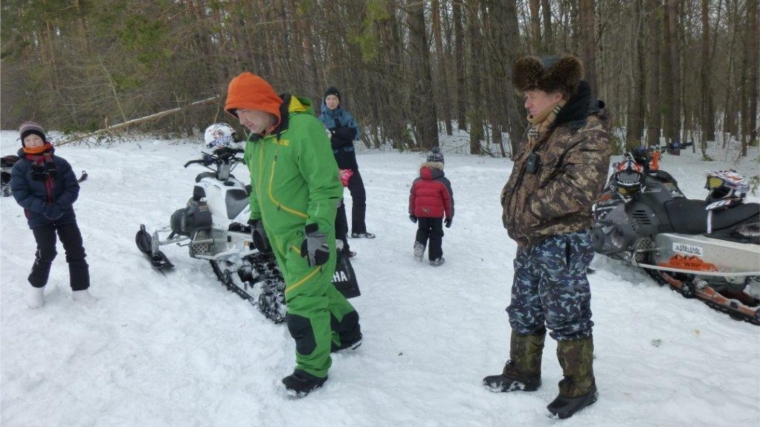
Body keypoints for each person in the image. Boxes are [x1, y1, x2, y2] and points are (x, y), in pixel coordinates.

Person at [482, 55, 612, 420]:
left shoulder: (588, 131)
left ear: (557, 95)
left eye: (532, 95)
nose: (526, 102)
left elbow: (579, 189)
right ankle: (523, 371)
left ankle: (580, 386)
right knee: (524, 306)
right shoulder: (542, 127)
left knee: (568, 314)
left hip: (562, 241)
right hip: (530, 240)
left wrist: (527, 209)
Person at [224, 72, 362, 397]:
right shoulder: (256, 143)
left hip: (308, 234)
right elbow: (257, 186)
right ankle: (347, 331)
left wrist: (318, 230)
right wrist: (257, 220)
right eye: (236, 114)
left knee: (301, 302)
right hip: (278, 236)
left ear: (264, 104)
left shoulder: (303, 130)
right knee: (313, 289)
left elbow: (326, 186)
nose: (241, 120)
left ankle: (311, 369)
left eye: (245, 110)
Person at [10, 121, 95, 308]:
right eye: (29, 139)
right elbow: (21, 194)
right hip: (38, 217)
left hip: (64, 213)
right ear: (24, 143)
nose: (33, 142)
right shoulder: (20, 167)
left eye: (36, 138)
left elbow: (72, 187)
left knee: (75, 249)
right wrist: (43, 207)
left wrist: (60, 205)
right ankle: (35, 290)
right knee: (47, 251)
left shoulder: (60, 163)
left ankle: (81, 291)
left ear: (43, 139)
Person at [318, 86, 375, 239]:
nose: (331, 102)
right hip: (334, 165)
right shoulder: (321, 120)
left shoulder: (346, 116)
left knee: (359, 195)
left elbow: (355, 133)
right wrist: (343, 134)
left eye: (334, 99)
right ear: (324, 101)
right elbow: (325, 141)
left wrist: (335, 132)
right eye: (328, 99)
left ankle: (359, 230)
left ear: (339, 101)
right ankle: (341, 233)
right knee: (338, 200)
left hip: (350, 162)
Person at [408, 147, 454, 266]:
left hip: (421, 212)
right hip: (436, 214)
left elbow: (412, 197)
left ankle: (419, 244)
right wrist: (449, 216)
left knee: (422, 229)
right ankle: (435, 258)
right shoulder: (443, 182)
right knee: (436, 233)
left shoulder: (417, 181)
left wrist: (412, 212)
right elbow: (448, 200)